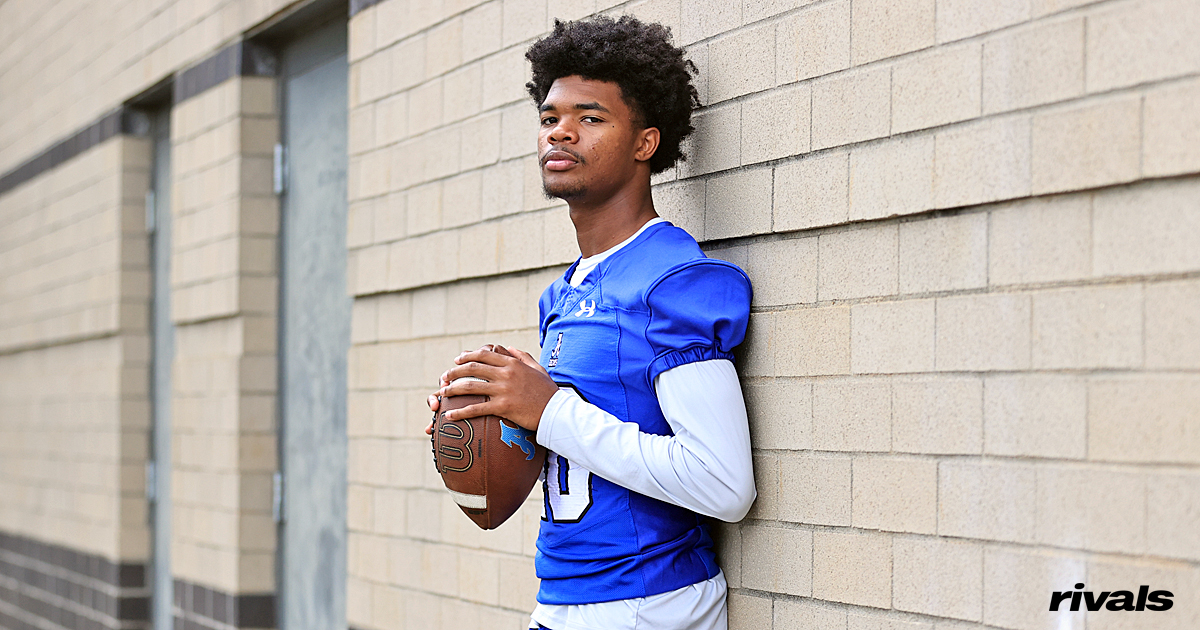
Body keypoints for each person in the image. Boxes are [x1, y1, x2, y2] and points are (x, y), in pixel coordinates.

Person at [426, 15, 755, 630]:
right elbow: (581, 440)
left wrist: (547, 410)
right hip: (565, 594)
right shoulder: (564, 292)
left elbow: (725, 484)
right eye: (550, 118)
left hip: (646, 600)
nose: (561, 133)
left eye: (590, 118)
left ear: (645, 142)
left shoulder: (671, 281)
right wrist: (492, 416)